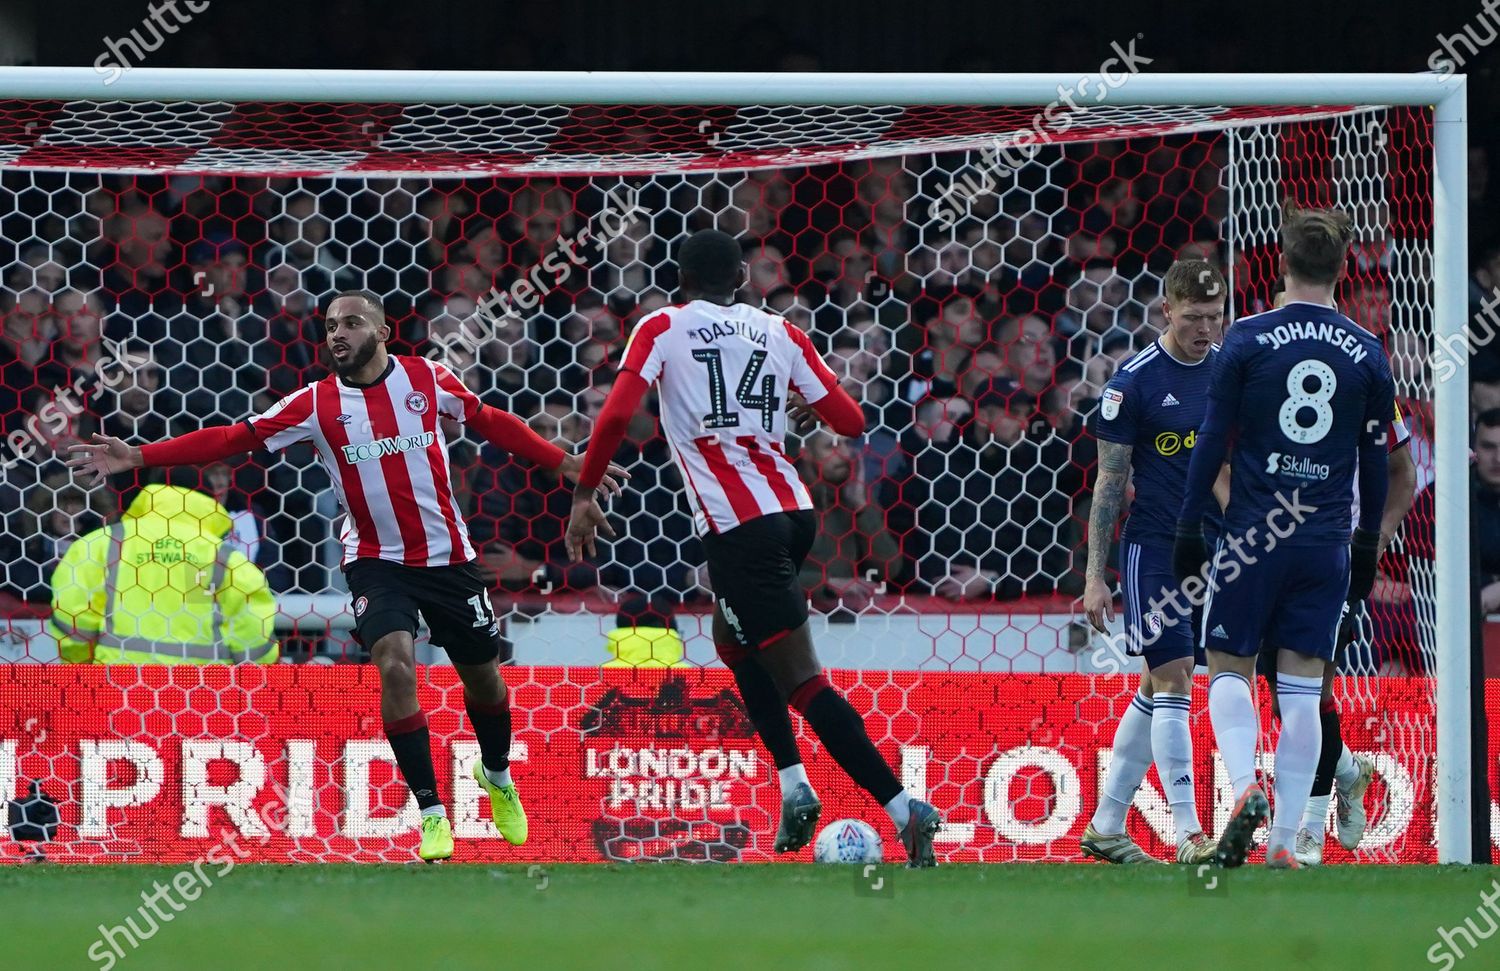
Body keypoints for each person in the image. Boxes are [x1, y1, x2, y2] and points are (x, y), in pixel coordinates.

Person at [67, 290, 625, 863]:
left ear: (383, 333)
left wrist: (562, 461)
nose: (338, 333)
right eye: (331, 324)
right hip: (374, 561)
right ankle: (432, 812)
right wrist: (140, 456)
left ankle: (498, 776)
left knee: (484, 682)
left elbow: (490, 421)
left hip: (448, 558)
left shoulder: (426, 379)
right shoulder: (315, 404)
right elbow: (235, 438)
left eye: (353, 323)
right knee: (395, 662)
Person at [562, 229, 943, 866]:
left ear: (679, 279)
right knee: (735, 645)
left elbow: (615, 415)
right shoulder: (780, 331)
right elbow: (851, 421)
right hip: (793, 513)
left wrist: (583, 491)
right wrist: (795, 402)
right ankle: (796, 788)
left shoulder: (661, 326)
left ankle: (904, 808)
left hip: (741, 528)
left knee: (800, 681)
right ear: (740, 277)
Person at [1174, 203, 1395, 869]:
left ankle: (1244, 790)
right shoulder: (1368, 351)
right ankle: (1284, 843)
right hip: (1324, 542)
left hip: (1252, 536)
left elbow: (1212, 439)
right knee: (1303, 689)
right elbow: (1378, 458)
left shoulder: (1246, 337)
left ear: (1281, 260)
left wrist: (1189, 523)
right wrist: (1365, 544)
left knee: (1227, 668)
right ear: (1342, 265)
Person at [1079, 259, 1228, 865]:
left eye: (1215, 317)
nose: (1205, 329)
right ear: (1167, 310)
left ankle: (1107, 825)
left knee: (1155, 686)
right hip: (1154, 551)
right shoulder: (1132, 384)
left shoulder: (1229, 371)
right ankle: (1191, 834)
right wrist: (1094, 576)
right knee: (1174, 680)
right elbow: (1109, 483)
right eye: (1193, 317)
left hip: (1221, 550)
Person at [48, 483, 278, 666]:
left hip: (116, 687)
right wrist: (245, 681)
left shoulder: (100, 544)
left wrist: (81, 665)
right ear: (209, 503)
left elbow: (72, 611)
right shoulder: (224, 556)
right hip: (204, 696)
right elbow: (253, 626)